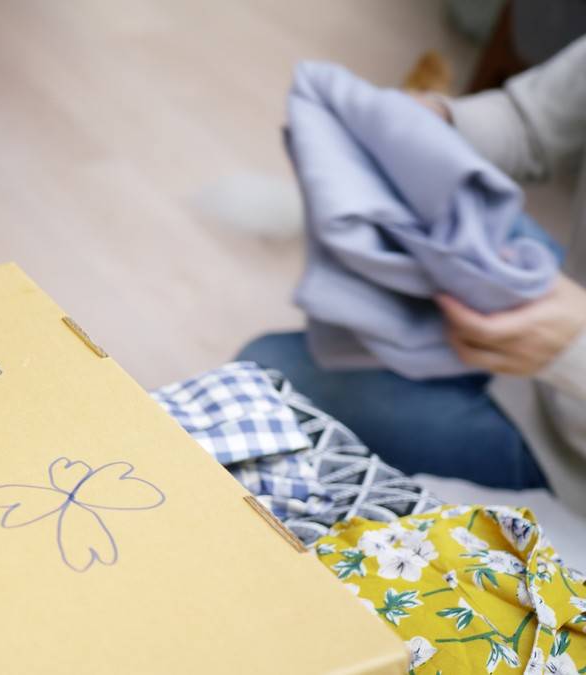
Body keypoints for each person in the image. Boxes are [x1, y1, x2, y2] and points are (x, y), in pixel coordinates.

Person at [239, 36, 586, 512]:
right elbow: (530, 124)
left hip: (572, 450)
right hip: (562, 308)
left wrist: (573, 351)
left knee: (263, 383)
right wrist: (421, 126)